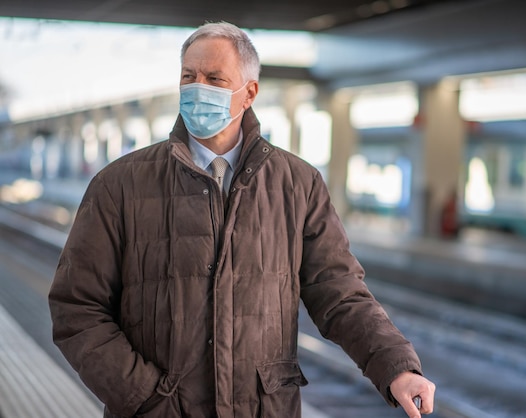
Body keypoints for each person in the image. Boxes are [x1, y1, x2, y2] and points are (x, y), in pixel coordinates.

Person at [48, 21, 436, 418]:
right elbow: (76, 307)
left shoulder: (297, 184)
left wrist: (397, 367)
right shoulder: (119, 185)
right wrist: (144, 397)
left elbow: (338, 292)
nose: (198, 87)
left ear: (248, 93)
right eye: (188, 76)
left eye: (214, 78)